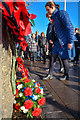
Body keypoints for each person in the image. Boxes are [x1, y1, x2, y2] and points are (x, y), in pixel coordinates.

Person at [43, 1, 75, 80]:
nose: (47, 12)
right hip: (57, 42)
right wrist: (53, 40)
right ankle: (50, 74)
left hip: (64, 41)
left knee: (64, 59)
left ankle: (66, 75)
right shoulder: (54, 17)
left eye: (48, 10)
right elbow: (54, 31)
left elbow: (69, 27)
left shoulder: (61, 13)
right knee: (52, 57)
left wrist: (70, 41)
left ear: (52, 7)